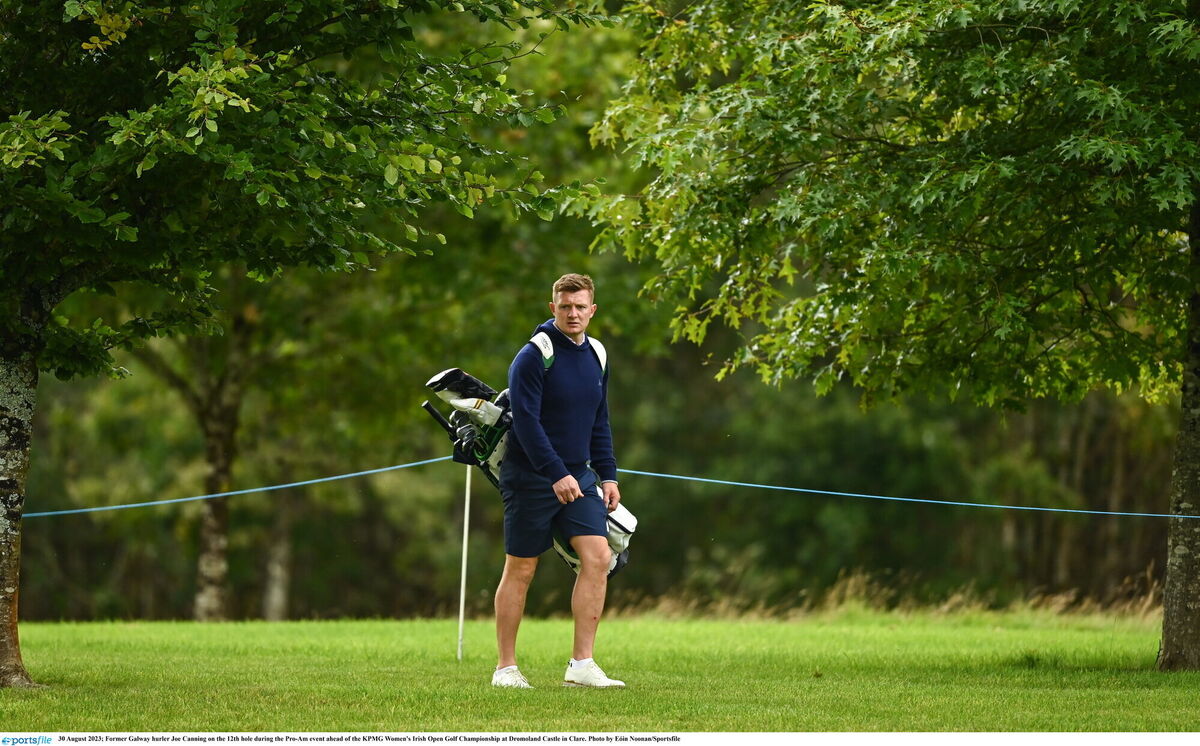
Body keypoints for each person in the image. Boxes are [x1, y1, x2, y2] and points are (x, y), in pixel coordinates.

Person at [491, 273, 625, 689]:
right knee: (522, 568)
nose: (573, 314)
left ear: (592, 310)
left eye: (580, 306)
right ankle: (505, 669)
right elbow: (526, 423)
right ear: (553, 308)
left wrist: (608, 474)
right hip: (530, 477)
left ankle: (582, 664)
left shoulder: (597, 354)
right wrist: (555, 473)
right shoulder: (533, 355)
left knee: (599, 557)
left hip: (578, 477)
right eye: (565, 306)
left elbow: (598, 420)